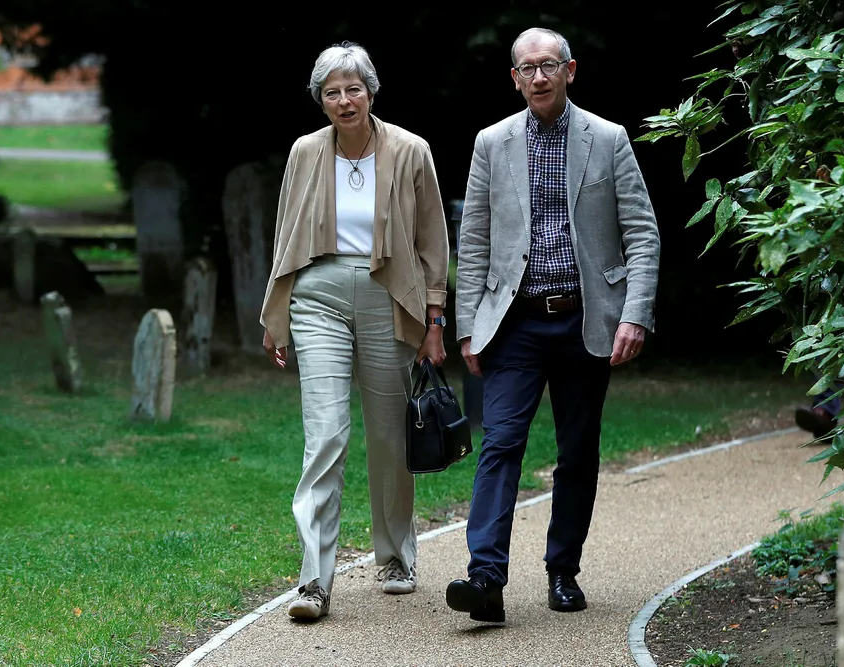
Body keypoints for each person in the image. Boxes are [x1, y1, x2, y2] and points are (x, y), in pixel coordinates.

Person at [448, 27, 661, 623]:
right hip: (513, 323)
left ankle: (562, 569)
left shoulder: (609, 139)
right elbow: (475, 238)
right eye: (526, 69)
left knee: (577, 453)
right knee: (500, 444)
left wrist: (635, 314)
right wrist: (469, 324)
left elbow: (642, 234)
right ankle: (485, 577)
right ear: (514, 79)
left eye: (548, 65)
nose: (538, 77)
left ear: (571, 70)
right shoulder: (492, 143)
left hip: (586, 321)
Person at [259, 41, 450, 621]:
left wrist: (435, 319)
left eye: (354, 89)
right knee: (325, 434)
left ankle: (395, 555)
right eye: (332, 92)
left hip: (390, 296)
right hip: (317, 295)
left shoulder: (412, 151)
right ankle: (314, 580)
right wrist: (277, 314)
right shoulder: (304, 152)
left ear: (371, 92)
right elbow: (286, 233)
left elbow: (431, 240)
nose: (345, 101)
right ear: (321, 101)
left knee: (391, 437)